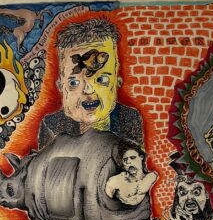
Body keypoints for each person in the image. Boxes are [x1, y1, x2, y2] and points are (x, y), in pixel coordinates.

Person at [37, 17, 144, 150]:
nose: (88, 90)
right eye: (74, 82)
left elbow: (136, 159)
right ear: (61, 87)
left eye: (101, 80)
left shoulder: (129, 119)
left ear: (117, 82)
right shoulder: (52, 126)